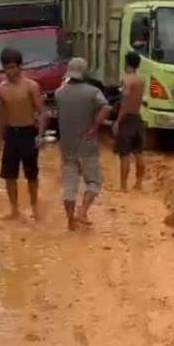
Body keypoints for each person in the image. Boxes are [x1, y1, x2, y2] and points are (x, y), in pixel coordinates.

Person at [55, 57, 110, 230]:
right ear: (85, 72)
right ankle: (82, 211)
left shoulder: (59, 93)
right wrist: (94, 127)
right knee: (94, 182)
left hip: (67, 147)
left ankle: (70, 221)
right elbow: (106, 107)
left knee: (69, 186)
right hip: (87, 146)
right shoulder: (93, 92)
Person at [0, 47, 46, 220]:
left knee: (31, 173)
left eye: (12, 67)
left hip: (28, 132)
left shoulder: (31, 86)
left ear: (19, 66)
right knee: (9, 174)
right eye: (6, 67)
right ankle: (14, 209)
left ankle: (35, 207)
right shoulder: (0, 89)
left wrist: (41, 134)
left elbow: (42, 111)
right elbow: (1, 115)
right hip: (11, 133)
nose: (9, 71)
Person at [113, 51, 145, 191]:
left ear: (127, 63)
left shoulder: (127, 80)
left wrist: (118, 121)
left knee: (124, 154)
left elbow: (125, 101)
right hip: (137, 116)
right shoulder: (141, 80)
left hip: (126, 118)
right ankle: (138, 183)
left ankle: (123, 185)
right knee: (138, 153)